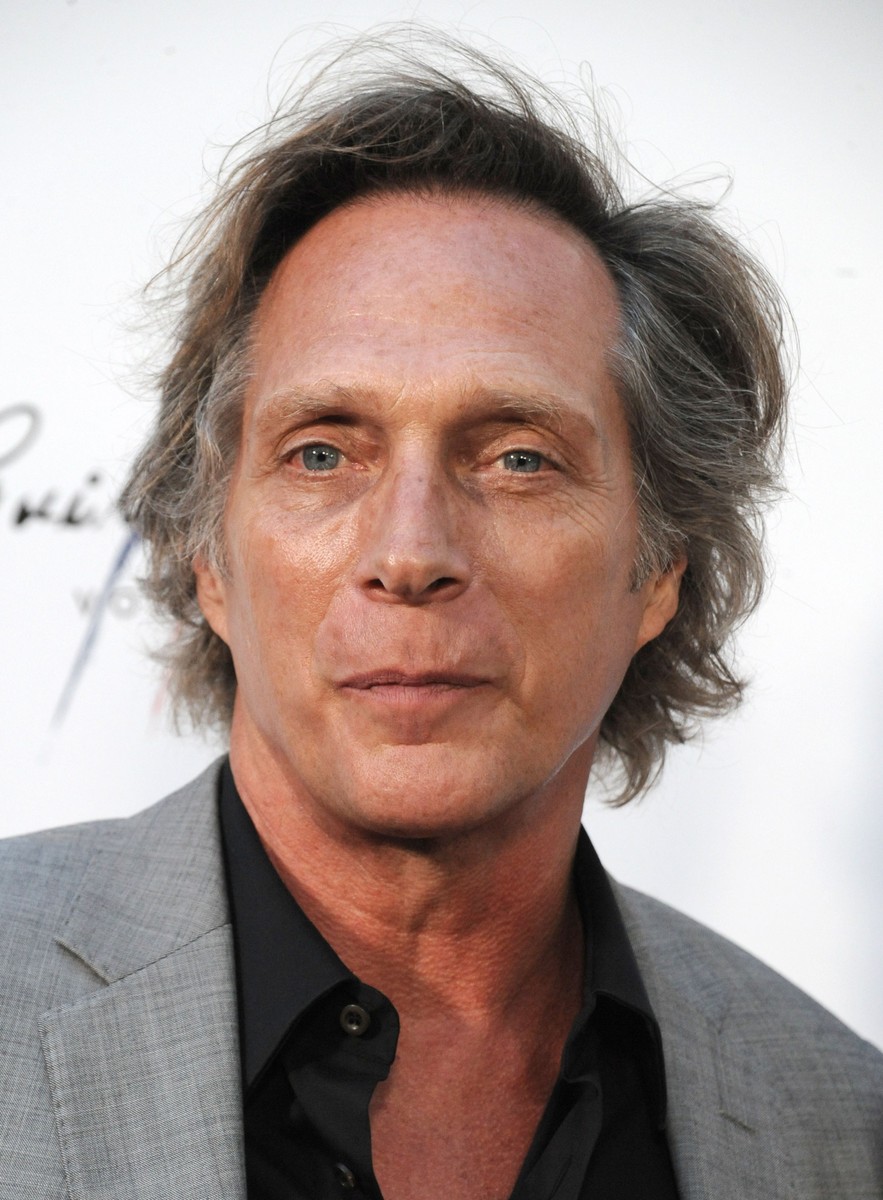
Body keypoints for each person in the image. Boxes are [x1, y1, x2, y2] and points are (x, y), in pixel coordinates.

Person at [1, 31, 880, 1200]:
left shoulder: (839, 1126)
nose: (410, 552)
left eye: (518, 458)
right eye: (322, 453)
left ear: (660, 567)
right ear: (209, 559)